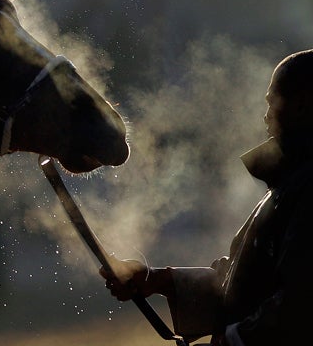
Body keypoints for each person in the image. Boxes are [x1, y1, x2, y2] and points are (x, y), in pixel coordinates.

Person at [101, 49, 313, 345]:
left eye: (272, 102)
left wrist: (233, 340)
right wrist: (157, 280)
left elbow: (301, 302)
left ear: (302, 105)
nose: (265, 116)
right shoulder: (291, 183)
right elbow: (247, 283)